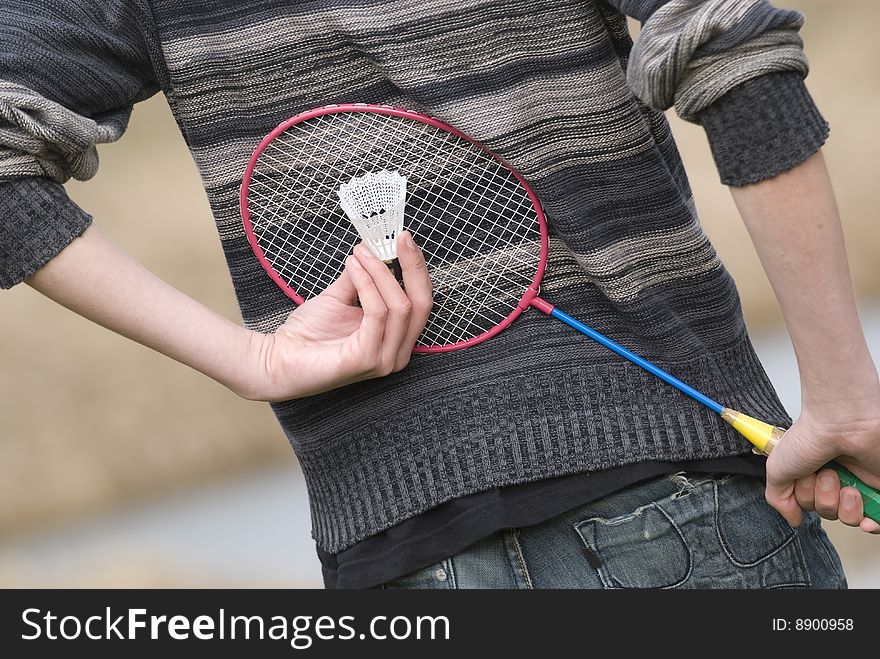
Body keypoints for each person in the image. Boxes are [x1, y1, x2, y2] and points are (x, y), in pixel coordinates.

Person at [1, 0, 877, 589]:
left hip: (397, 564)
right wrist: (842, 397)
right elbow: (734, 47)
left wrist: (251, 360)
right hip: (684, 500)